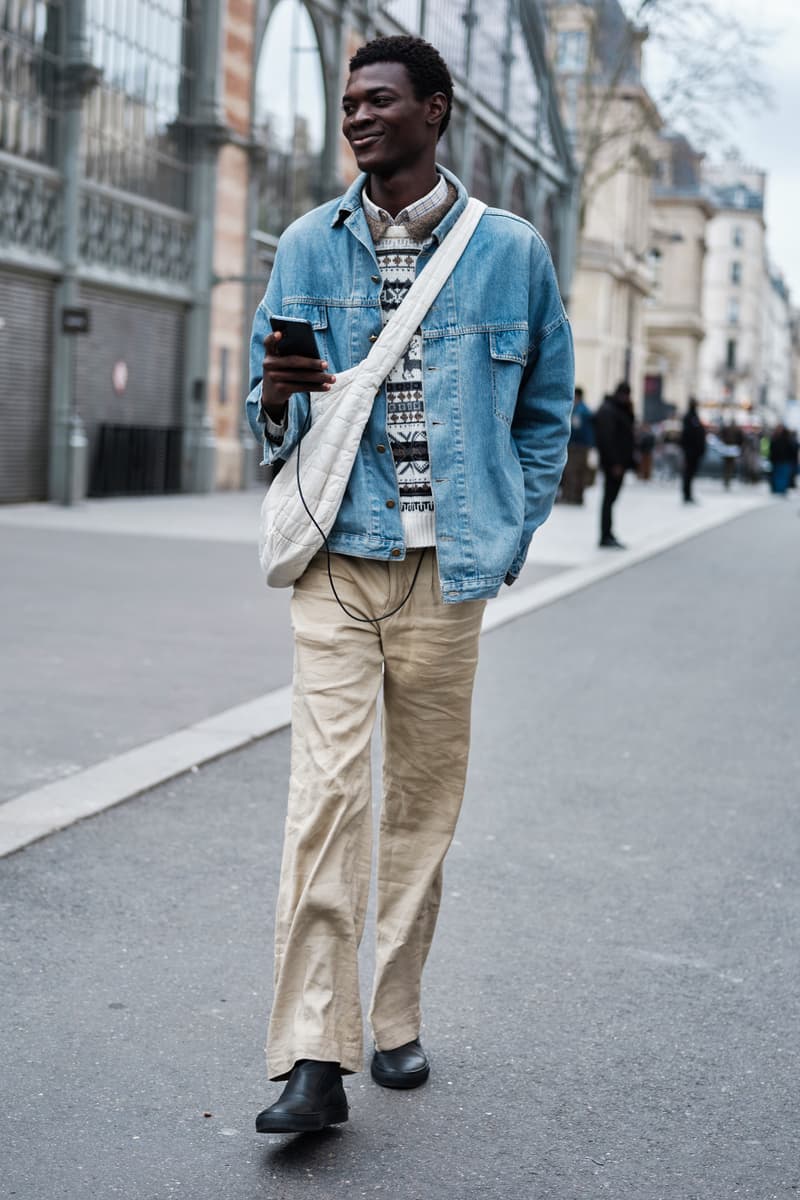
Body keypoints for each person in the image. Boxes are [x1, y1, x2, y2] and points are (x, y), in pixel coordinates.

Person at [245, 34, 574, 1134]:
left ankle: (391, 1015)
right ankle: (310, 1057)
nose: (354, 117)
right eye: (346, 101)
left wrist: (512, 529)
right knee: (321, 807)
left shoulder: (511, 253)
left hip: (448, 576)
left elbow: (544, 413)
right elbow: (270, 417)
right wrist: (278, 394)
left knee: (419, 814)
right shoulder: (303, 243)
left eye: (378, 100)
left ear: (435, 113)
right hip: (336, 564)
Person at [593, 382, 635, 548]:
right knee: (608, 500)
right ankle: (605, 535)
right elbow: (606, 439)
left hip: (619, 463)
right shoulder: (609, 411)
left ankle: (608, 532)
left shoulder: (618, 409)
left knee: (611, 500)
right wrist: (614, 463)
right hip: (613, 464)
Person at [560, 386, 595, 504]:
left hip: (576, 446)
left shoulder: (579, 411)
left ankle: (572, 496)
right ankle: (578, 496)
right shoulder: (585, 409)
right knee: (580, 471)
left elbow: (575, 429)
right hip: (583, 446)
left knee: (572, 471)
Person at [680, 397, 706, 503]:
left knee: (690, 474)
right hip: (691, 451)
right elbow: (688, 435)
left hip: (694, 451)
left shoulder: (694, 417)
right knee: (688, 474)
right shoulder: (689, 417)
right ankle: (687, 494)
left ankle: (688, 494)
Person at [768, 424, 797, 495]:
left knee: (783, 477)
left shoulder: (787, 439)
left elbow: (792, 450)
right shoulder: (774, 439)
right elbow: (771, 450)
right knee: (777, 476)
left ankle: (781, 490)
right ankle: (778, 490)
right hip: (776, 461)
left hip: (785, 461)